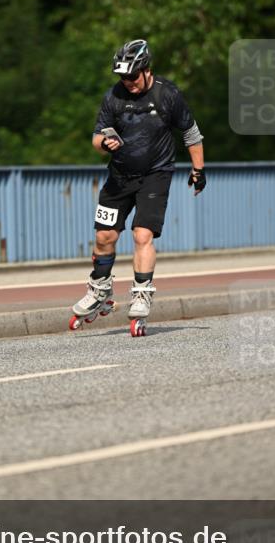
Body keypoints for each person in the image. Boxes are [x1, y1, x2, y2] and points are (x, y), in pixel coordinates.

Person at [72, 38, 206, 328]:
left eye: (133, 76)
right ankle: (100, 289)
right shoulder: (113, 97)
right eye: (123, 77)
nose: (128, 82)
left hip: (155, 175)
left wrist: (198, 170)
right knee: (104, 237)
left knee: (142, 235)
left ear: (146, 70)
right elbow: (96, 138)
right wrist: (104, 144)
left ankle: (142, 294)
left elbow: (191, 133)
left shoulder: (168, 94)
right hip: (119, 177)